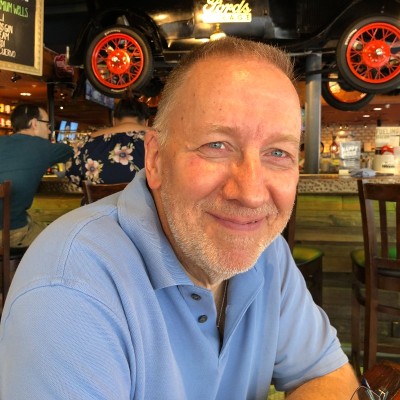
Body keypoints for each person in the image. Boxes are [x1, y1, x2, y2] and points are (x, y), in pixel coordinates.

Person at [0, 38, 359, 399]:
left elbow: (328, 375)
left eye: (278, 152)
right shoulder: (68, 291)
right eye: (216, 145)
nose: (251, 194)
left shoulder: (268, 253)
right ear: (155, 159)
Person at [0, 104, 73, 248]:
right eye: (47, 124)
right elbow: (71, 151)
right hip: (11, 233)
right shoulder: (42, 147)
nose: (49, 130)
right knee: (63, 238)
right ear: (34, 123)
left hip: (12, 227)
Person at [66, 97, 149, 186]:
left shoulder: (84, 145)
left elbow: (73, 178)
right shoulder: (157, 140)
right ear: (146, 122)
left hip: (98, 196)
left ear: (113, 120)